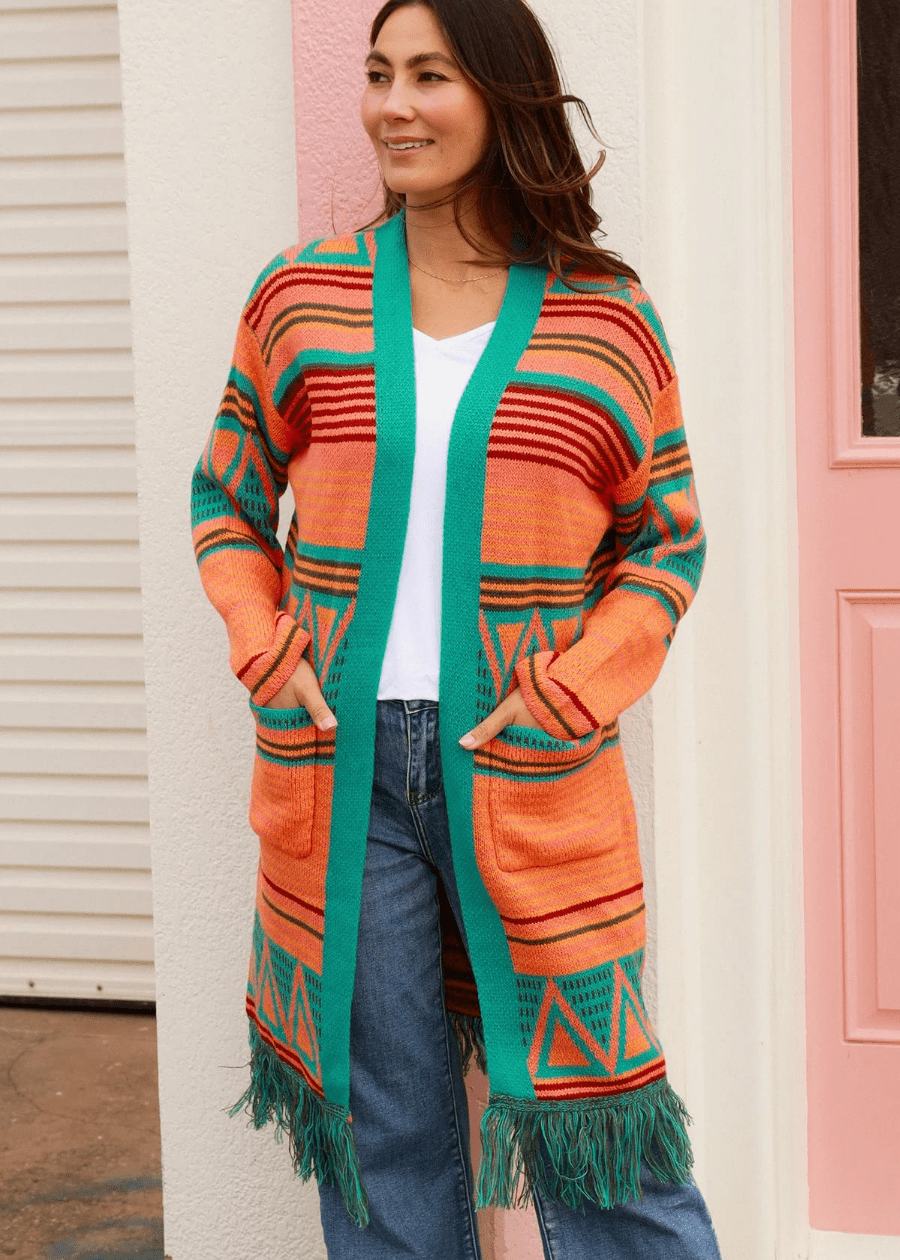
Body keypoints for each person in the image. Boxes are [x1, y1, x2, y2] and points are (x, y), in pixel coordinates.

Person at [190, 0, 722, 1256]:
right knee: (383, 1133)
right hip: (341, 774)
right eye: (377, 74)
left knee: (600, 1126)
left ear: (500, 95)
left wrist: (575, 694)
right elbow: (226, 497)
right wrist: (267, 656)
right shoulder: (302, 297)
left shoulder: (604, 313)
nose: (391, 105)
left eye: (429, 75)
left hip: (530, 769)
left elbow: (669, 541)